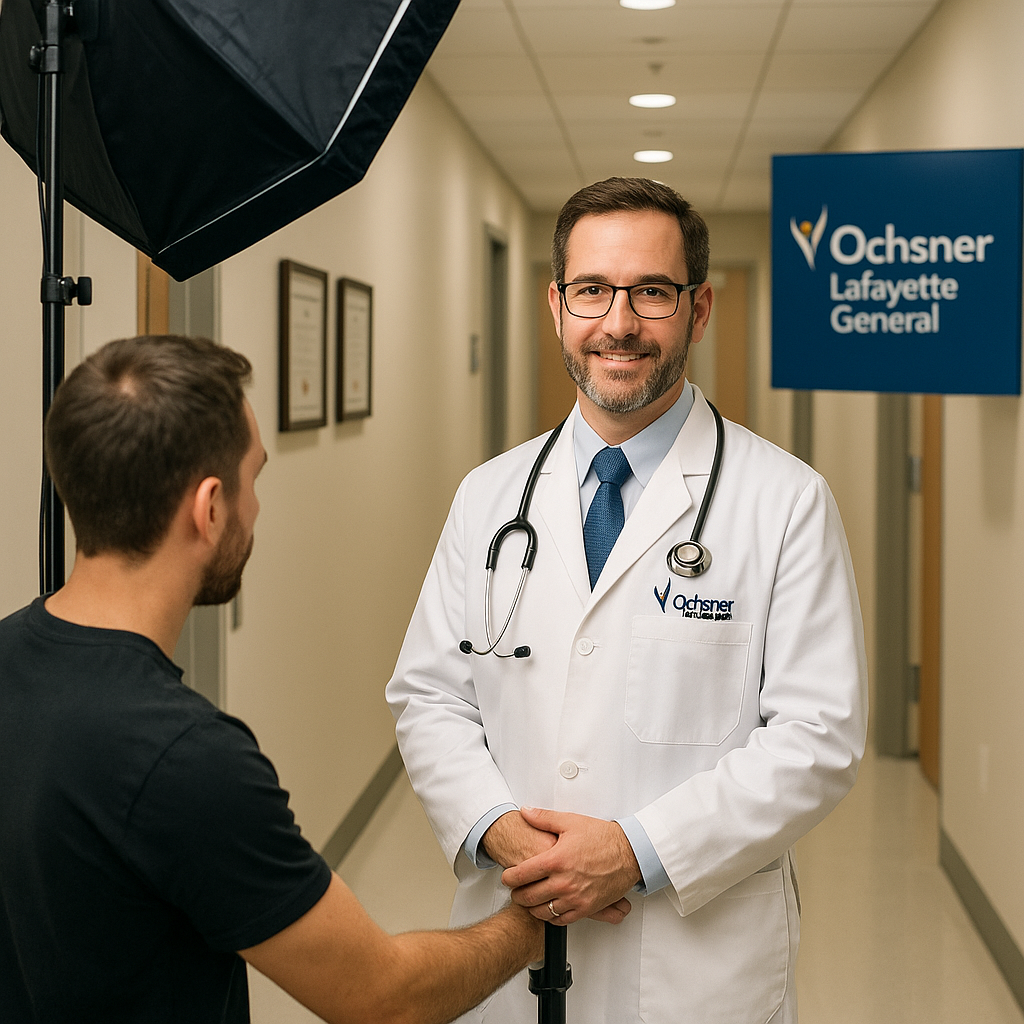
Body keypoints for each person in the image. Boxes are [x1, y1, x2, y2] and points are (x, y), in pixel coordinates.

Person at [386, 177, 869, 1023]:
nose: (618, 323)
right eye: (592, 291)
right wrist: (499, 828)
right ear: (556, 304)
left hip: (696, 966)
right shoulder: (489, 497)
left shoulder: (785, 500)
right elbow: (429, 696)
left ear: (699, 307)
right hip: (512, 939)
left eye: (651, 291)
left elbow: (817, 738)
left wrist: (633, 851)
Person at [0, 335, 543, 1024]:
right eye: (253, 479)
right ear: (210, 508)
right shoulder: (186, 760)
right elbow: (383, 997)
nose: (256, 507)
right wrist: (528, 926)